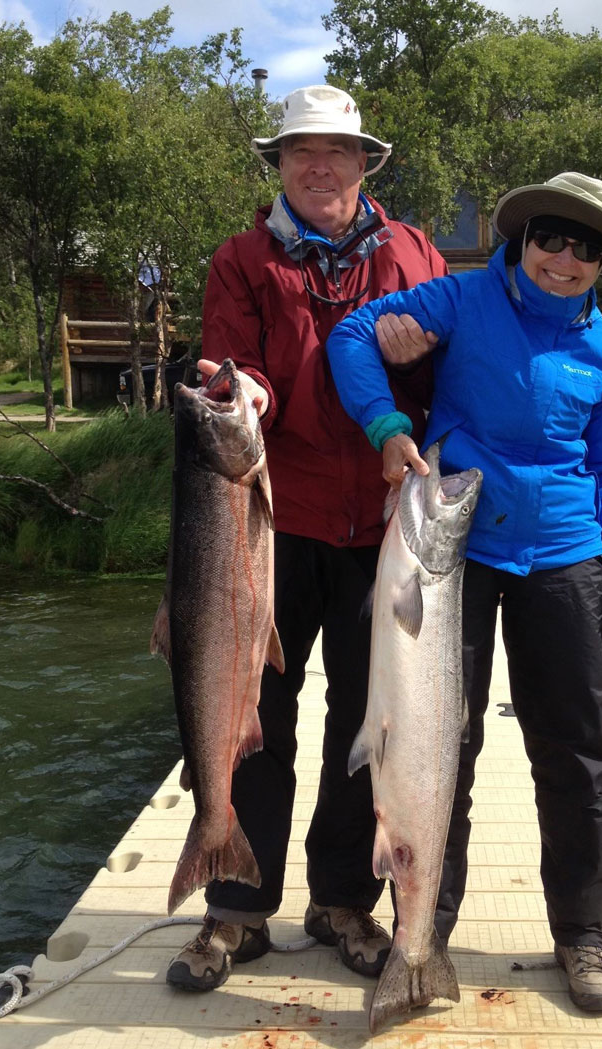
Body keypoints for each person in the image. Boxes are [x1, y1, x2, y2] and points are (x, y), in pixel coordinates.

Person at [326, 172, 602, 1013]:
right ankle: (423, 931)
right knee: (440, 749)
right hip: (453, 554)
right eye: (551, 236)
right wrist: (388, 427)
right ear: (522, 238)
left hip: (565, 556)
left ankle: (584, 938)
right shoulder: (465, 299)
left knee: (577, 754)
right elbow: (352, 338)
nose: (565, 258)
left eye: (587, 247)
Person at [165, 84, 448, 991]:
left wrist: (422, 360)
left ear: (366, 162)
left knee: (367, 724)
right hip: (270, 531)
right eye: (300, 152)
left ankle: (340, 902)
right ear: (278, 165)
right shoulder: (240, 260)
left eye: (337, 151)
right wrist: (235, 390)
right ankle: (237, 912)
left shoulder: (413, 253)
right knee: (256, 718)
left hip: (381, 533)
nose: (319, 166)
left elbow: (456, 368)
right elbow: (237, 373)